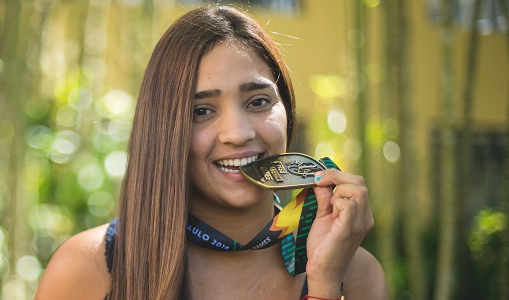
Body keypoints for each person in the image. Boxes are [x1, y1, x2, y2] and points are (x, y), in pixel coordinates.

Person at [35, 5, 387, 300]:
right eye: (201, 111)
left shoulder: (353, 273)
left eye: (258, 101)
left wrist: (324, 280)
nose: (238, 133)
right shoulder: (88, 267)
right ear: (162, 131)